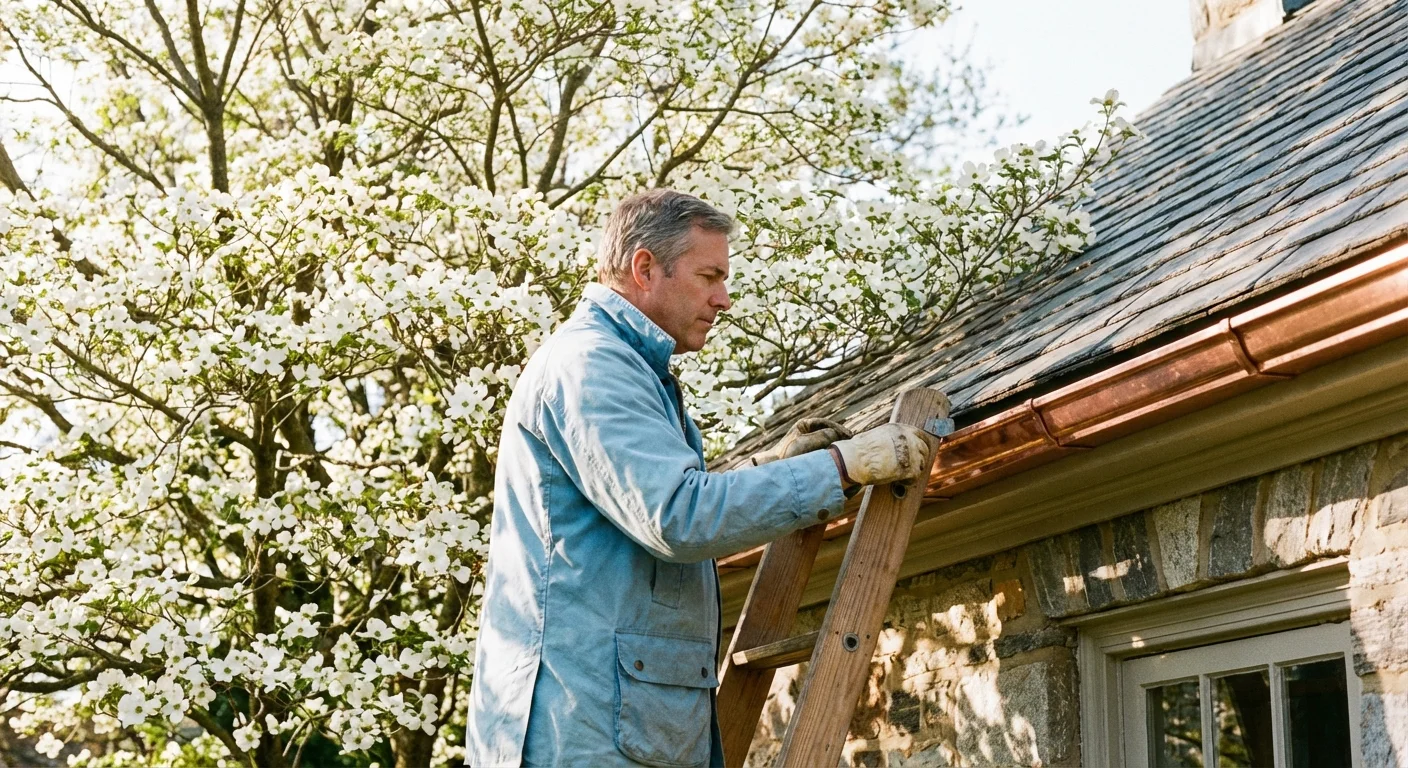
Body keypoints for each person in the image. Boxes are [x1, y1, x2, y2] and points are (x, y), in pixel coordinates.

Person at [465, 189, 932, 767]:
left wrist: (775, 472)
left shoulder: (627, 367)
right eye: (709, 275)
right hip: (587, 737)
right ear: (644, 268)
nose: (724, 298)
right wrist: (842, 466)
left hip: (601, 728)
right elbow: (678, 515)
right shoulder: (593, 366)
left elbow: (648, 506)